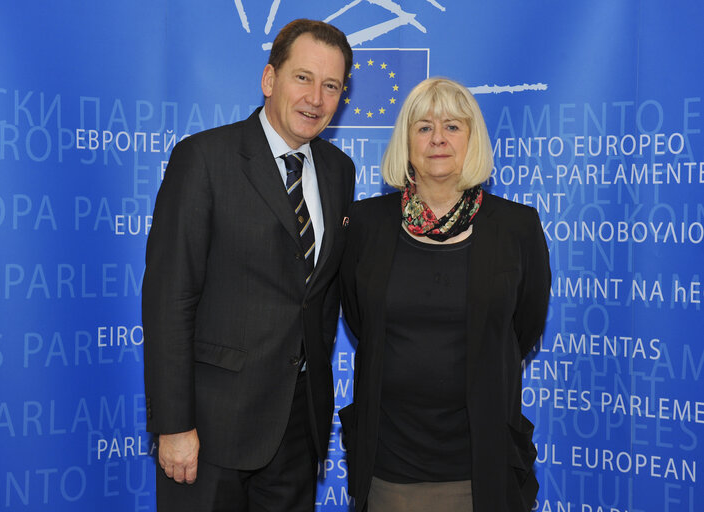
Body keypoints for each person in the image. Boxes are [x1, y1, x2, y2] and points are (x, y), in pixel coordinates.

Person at [142, 19, 354, 512]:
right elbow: (170, 298)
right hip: (209, 431)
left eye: (331, 86)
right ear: (269, 79)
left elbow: (317, 298)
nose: (316, 99)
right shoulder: (205, 159)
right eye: (303, 78)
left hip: (298, 430)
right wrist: (174, 425)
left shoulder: (340, 171)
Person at [339, 77, 550, 512]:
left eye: (453, 126)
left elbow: (519, 331)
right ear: (406, 141)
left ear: (473, 139)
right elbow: (361, 320)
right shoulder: (365, 223)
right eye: (424, 127)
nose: (438, 138)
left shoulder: (517, 227)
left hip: (481, 467)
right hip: (388, 465)